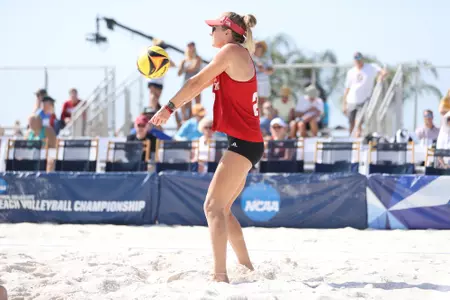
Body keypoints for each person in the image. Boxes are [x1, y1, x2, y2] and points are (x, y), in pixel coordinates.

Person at [150, 12, 262, 283]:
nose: (210, 33)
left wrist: (168, 107)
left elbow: (194, 83)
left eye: (214, 28)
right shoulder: (234, 54)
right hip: (247, 142)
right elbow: (195, 87)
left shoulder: (231, 51)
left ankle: (219, 276)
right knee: (222, 209)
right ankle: (247, 269)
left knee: (212, 207)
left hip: (244, 143)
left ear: (228, 31)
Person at [343, 52, 386, 137]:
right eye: (356, 60)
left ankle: (358, 139)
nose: (358, 62)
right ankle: (352, 142)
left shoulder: (371, 67)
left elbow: (383, 72)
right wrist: (344, 104)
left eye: (359, 59)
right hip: (351, 101)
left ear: (362, 59)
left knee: (358, 122)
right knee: (351, 124)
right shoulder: (351, 72)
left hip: (364, 100)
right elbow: (347, 89)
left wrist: (380, 77)